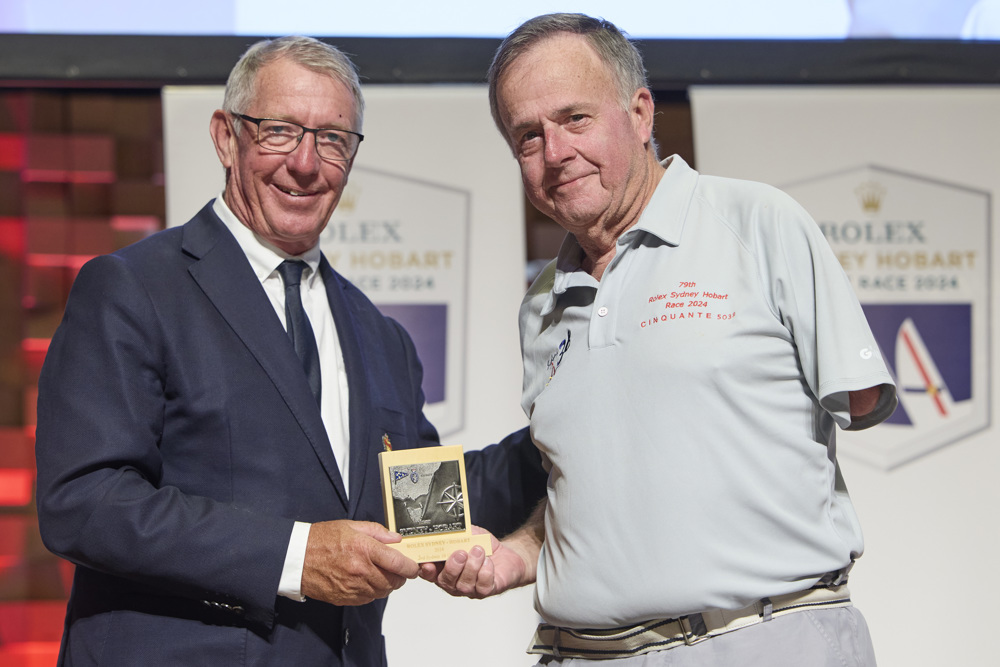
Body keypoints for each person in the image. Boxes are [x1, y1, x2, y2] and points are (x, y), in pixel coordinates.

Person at [34, 35, 545, 666]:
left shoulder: (380, 337)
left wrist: (564, 430)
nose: (306, 163)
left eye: (333, 139)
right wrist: (299, 558)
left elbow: (419, 505)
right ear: (226, 137)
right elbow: (84, 502)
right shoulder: (133, 288)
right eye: (279, 131)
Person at [423, 13, 898, 667]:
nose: (554, 152)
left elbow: (859, 396)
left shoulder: (757, 223)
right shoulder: (539, 306)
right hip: (579, 652)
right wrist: (515, 555)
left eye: (575, 119)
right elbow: (578, 487)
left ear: (640, 113)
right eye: (527, 136)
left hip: (760, 643)